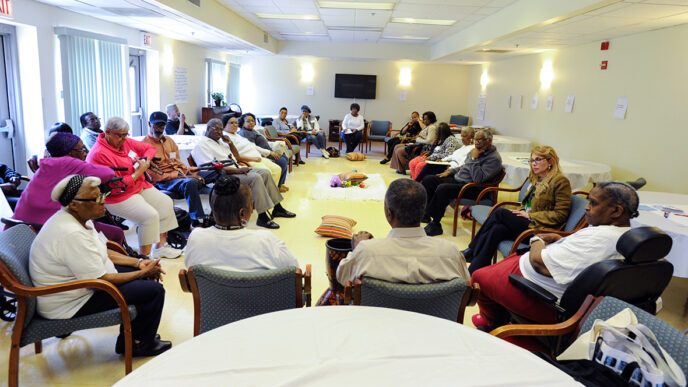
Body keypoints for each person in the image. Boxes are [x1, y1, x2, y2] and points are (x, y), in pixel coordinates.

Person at [29, 175, 171, 356]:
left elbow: (103, 251)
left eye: (103, 195)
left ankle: (136, 338)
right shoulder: (71, 233)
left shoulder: (80, 219)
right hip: (70, 302)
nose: (104, 201)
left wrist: (139, 262)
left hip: (81, 286)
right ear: (74, 204)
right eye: (96, 199)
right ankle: (139, 344)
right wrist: (142, 273)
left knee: (144, 274)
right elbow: (101, 279)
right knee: (153, 291)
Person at [470, 181, 638, 330]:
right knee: (501, 236)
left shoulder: (601, 238)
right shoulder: (622, 234)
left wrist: (536, 239)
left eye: (593, 203)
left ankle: (492, 322)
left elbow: (538, 263)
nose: (587, 207)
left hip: (539, 292)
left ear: (616, 211)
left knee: (478, 278)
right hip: (540, 274)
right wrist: (560, 240)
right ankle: (503, 315)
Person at [336, 179, 470, 285]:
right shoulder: (450, 252)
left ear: (389, 213)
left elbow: (342, 278)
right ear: (423, 211)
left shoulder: (366, 252)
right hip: (433, 319)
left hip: (379, 319)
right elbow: (467, 295)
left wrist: (357, 249)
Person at [466, 146, 572, 274]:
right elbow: (527, 204)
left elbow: (560, 215)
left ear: (551, 161)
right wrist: (521, 212)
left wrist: (530, 215)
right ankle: (475, 271)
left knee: (500, 213)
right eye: (532, 160)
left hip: (542, 229)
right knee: (496, 229)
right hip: (528, 223)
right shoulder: (536, 178)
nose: (534, 164)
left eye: (538, 160)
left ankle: (472, 250)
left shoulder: (560, 181)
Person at [86, 117, 181, 259]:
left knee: (166, 203)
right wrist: (138, 173)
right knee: (149, 216)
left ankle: (160, 247)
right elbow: (116, 184)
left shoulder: (125, 142)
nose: (124, 139)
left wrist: (145, 160)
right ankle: (144, 256)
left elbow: (149, 148)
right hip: (117, 195)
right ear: (108, 132)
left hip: (137, 186)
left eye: (126, 134)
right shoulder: (98, 154)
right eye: (120, 135)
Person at [11, 132, 125, 244]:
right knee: (116, 233)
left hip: (19, 228)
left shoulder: (46, 164)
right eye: (82, 149)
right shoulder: (68, 163)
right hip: (45, 229)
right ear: (71, 153)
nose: (85, 153)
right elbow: (107, 173)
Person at [191, 119, 295, 229]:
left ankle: (277, 207)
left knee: (265, 173)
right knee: (255, 178)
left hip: (236, 168)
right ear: (208, 129)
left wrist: (230, 144)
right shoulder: (202, 145)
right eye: (217, 129)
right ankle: (262, 216)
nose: (220, 132)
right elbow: (210, 169)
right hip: (223, 176)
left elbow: (236, 157)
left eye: (221, 130)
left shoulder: (219, 141)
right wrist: (237, 170)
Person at [185, 174, 299, 270]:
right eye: (251, 204)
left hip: (212, 296)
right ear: (242, 213)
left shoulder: (196, 238)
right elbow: (294, 271)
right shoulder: (266, 241)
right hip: (259, 296)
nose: (253, 206)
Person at [423, 129, 502, 236]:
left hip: (475, 188)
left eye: (480, 140)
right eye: (475, 140)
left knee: (443, 188)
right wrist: (451, 171)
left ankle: (436, 223)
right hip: (460, 181)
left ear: (490, 140)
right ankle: (426, 214)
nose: (477, 142)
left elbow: (478, 179)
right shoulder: (476, 150)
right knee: (429, 180)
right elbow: (465, 166)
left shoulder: (494, 159)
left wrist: (474, 158)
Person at [142, 111, 212, 227]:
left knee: (218, 173)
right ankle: (196, 220)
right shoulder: (144, 145)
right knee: (190, 183)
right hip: (164, 180)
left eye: (162, 126)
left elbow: (178, 162)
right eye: (156, 125)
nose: (159, 129)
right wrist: (184, 176)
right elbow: (153, 175)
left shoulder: (169, 141)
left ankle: (215, 215)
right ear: (149, 124)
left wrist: (188, 171)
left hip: (180, 174)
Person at [222, 114, 287, 192]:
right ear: (224, 125)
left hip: (257, 157)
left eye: (236, 123)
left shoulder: (237, 135)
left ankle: (272, 192)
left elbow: (252, 146)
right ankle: (265, 194)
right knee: (267, 172)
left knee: (277, 169)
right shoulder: (225, 138)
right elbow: (233, 156)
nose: (235, 125)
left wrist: (263, 154)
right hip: (249, 160)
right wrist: (253, 158)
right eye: (232, 123)